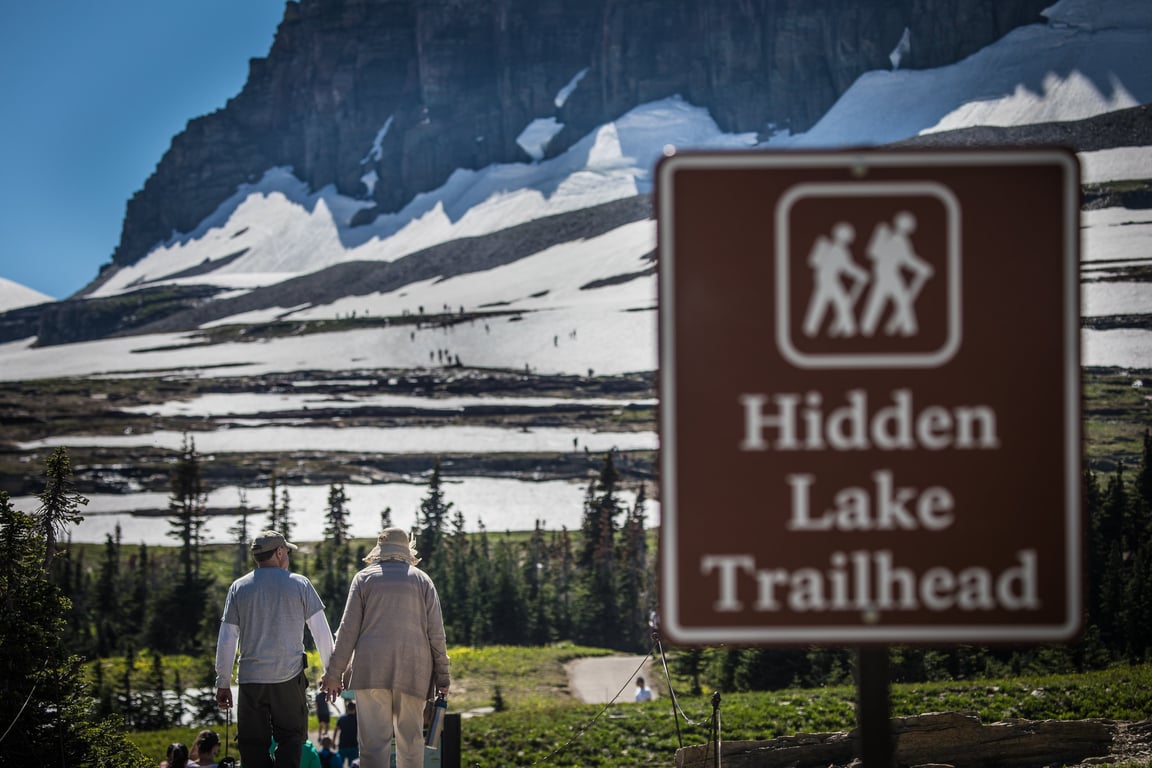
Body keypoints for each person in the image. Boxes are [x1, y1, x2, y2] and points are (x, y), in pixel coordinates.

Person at [321, 528, 451, 768]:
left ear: (380, 550)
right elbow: (436, 635)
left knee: (372, 746)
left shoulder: (364, 578)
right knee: (411, 743)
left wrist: (333, 674)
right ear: (405, 551)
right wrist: (443, 675)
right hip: (414, 671)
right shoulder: (423, 580)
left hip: (371, 671)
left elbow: (348, 630)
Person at [214, 530, 335, 768]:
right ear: (279, 552)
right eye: (286, 551)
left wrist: (223, 682)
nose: (287, 555)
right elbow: (321, 631)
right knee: (291, 738)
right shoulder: (300, 584)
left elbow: (227, 638)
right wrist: (331, 672)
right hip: (288, 679)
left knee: (252, 744)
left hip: (250, 681)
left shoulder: (239, 588)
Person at [332, 701, 358, 768]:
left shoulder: (341, 718)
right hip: (354, 746)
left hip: (342, 745)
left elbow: (336, 730)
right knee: (354, 765)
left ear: (347, 708)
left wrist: (333, 742)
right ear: (355, 708)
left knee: (339, 765)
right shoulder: (357, 719)